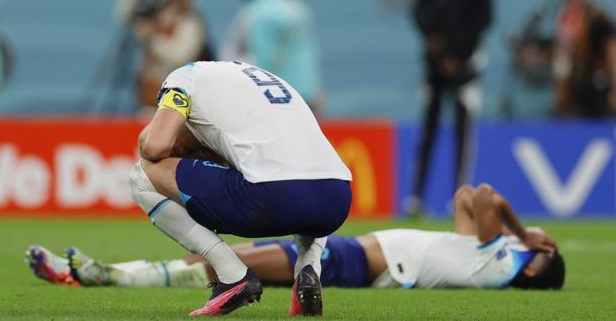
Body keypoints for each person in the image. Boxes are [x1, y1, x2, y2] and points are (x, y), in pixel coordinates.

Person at [125, 61, 352, 316]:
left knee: (141, 174)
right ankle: (308, 270)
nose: (196, 155)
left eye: (193, 152)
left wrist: (154, 134)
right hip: (337, 199)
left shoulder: (182, 79)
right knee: (302, 175)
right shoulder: (263, 79)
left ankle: (233, 276)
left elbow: (155, 146)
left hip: (273, 199)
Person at [27, 183, 564, 291]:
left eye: (538, 246)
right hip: (370, 258)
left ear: (539, 261)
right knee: (223, 258)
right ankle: (107, 275)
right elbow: (468, 198)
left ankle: (107, 279)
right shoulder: (487, 257)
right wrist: (521, 238)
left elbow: (489, 196)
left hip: (367, 264)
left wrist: (525, 234)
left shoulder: (503, 261)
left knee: (224, 261)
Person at [408, 0, 493, 216]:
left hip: (434, 67)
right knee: (463, 134)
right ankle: (460, 198)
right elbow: (485, 20)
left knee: (428, 132)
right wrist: (457, 55)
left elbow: (420, 15)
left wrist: (441, 52)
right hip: (465, 67)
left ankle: (416, 197)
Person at [245, 0, 324, 114]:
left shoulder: (264, 6)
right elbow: (265, 54)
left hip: (285, 90)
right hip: (287, 90)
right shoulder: (280, 8)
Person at [131, 0, 212, 112]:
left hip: (175, 97)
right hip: (148, 92)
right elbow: (125, 12)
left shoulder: (191, 20)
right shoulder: (162, 12)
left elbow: (181, 56)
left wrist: (153, 41)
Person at [553, 0, 616, 118]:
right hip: (569, 87)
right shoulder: (564, 16)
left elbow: (612, 51)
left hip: (594, 89)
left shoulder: (596, 17)